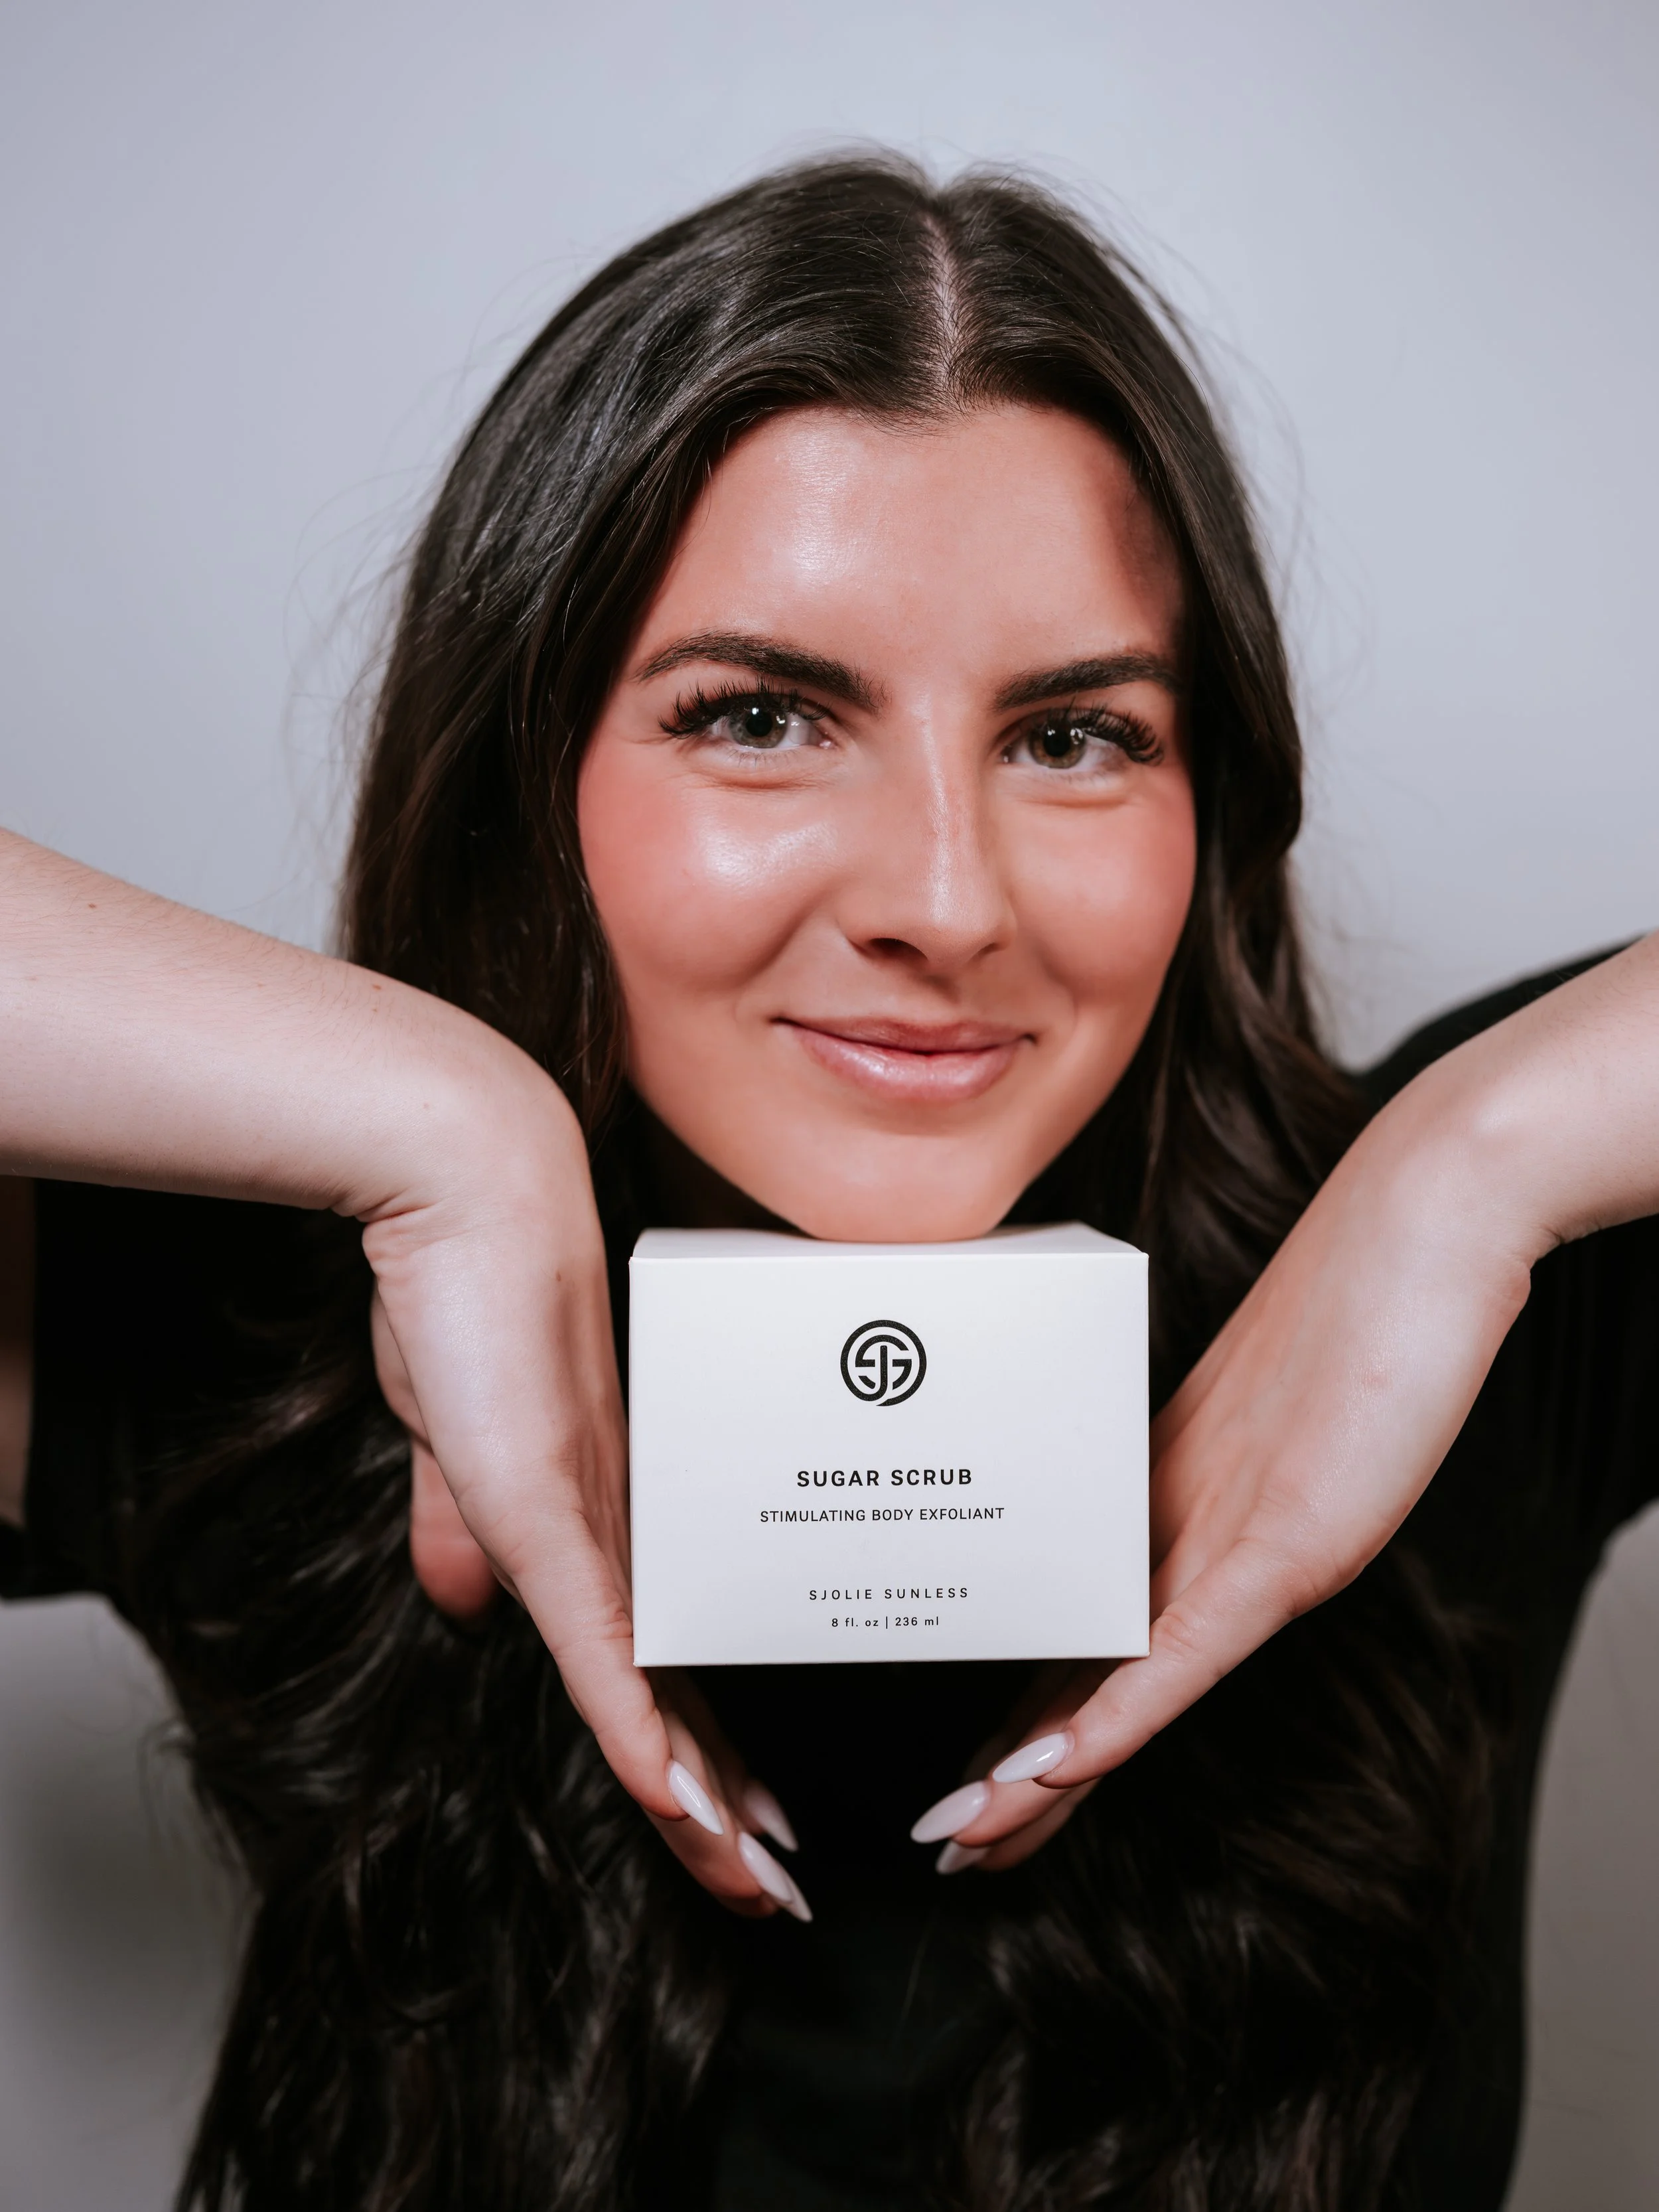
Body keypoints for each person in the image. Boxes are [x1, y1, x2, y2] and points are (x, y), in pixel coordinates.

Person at [1, 155, 1656, 2211]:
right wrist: (433, 1114)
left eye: (1073, 735)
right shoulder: (273, 1336)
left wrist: (1478, 1162)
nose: (946, 902)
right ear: (535, 777)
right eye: (763, 716)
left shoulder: (1448, 1309)